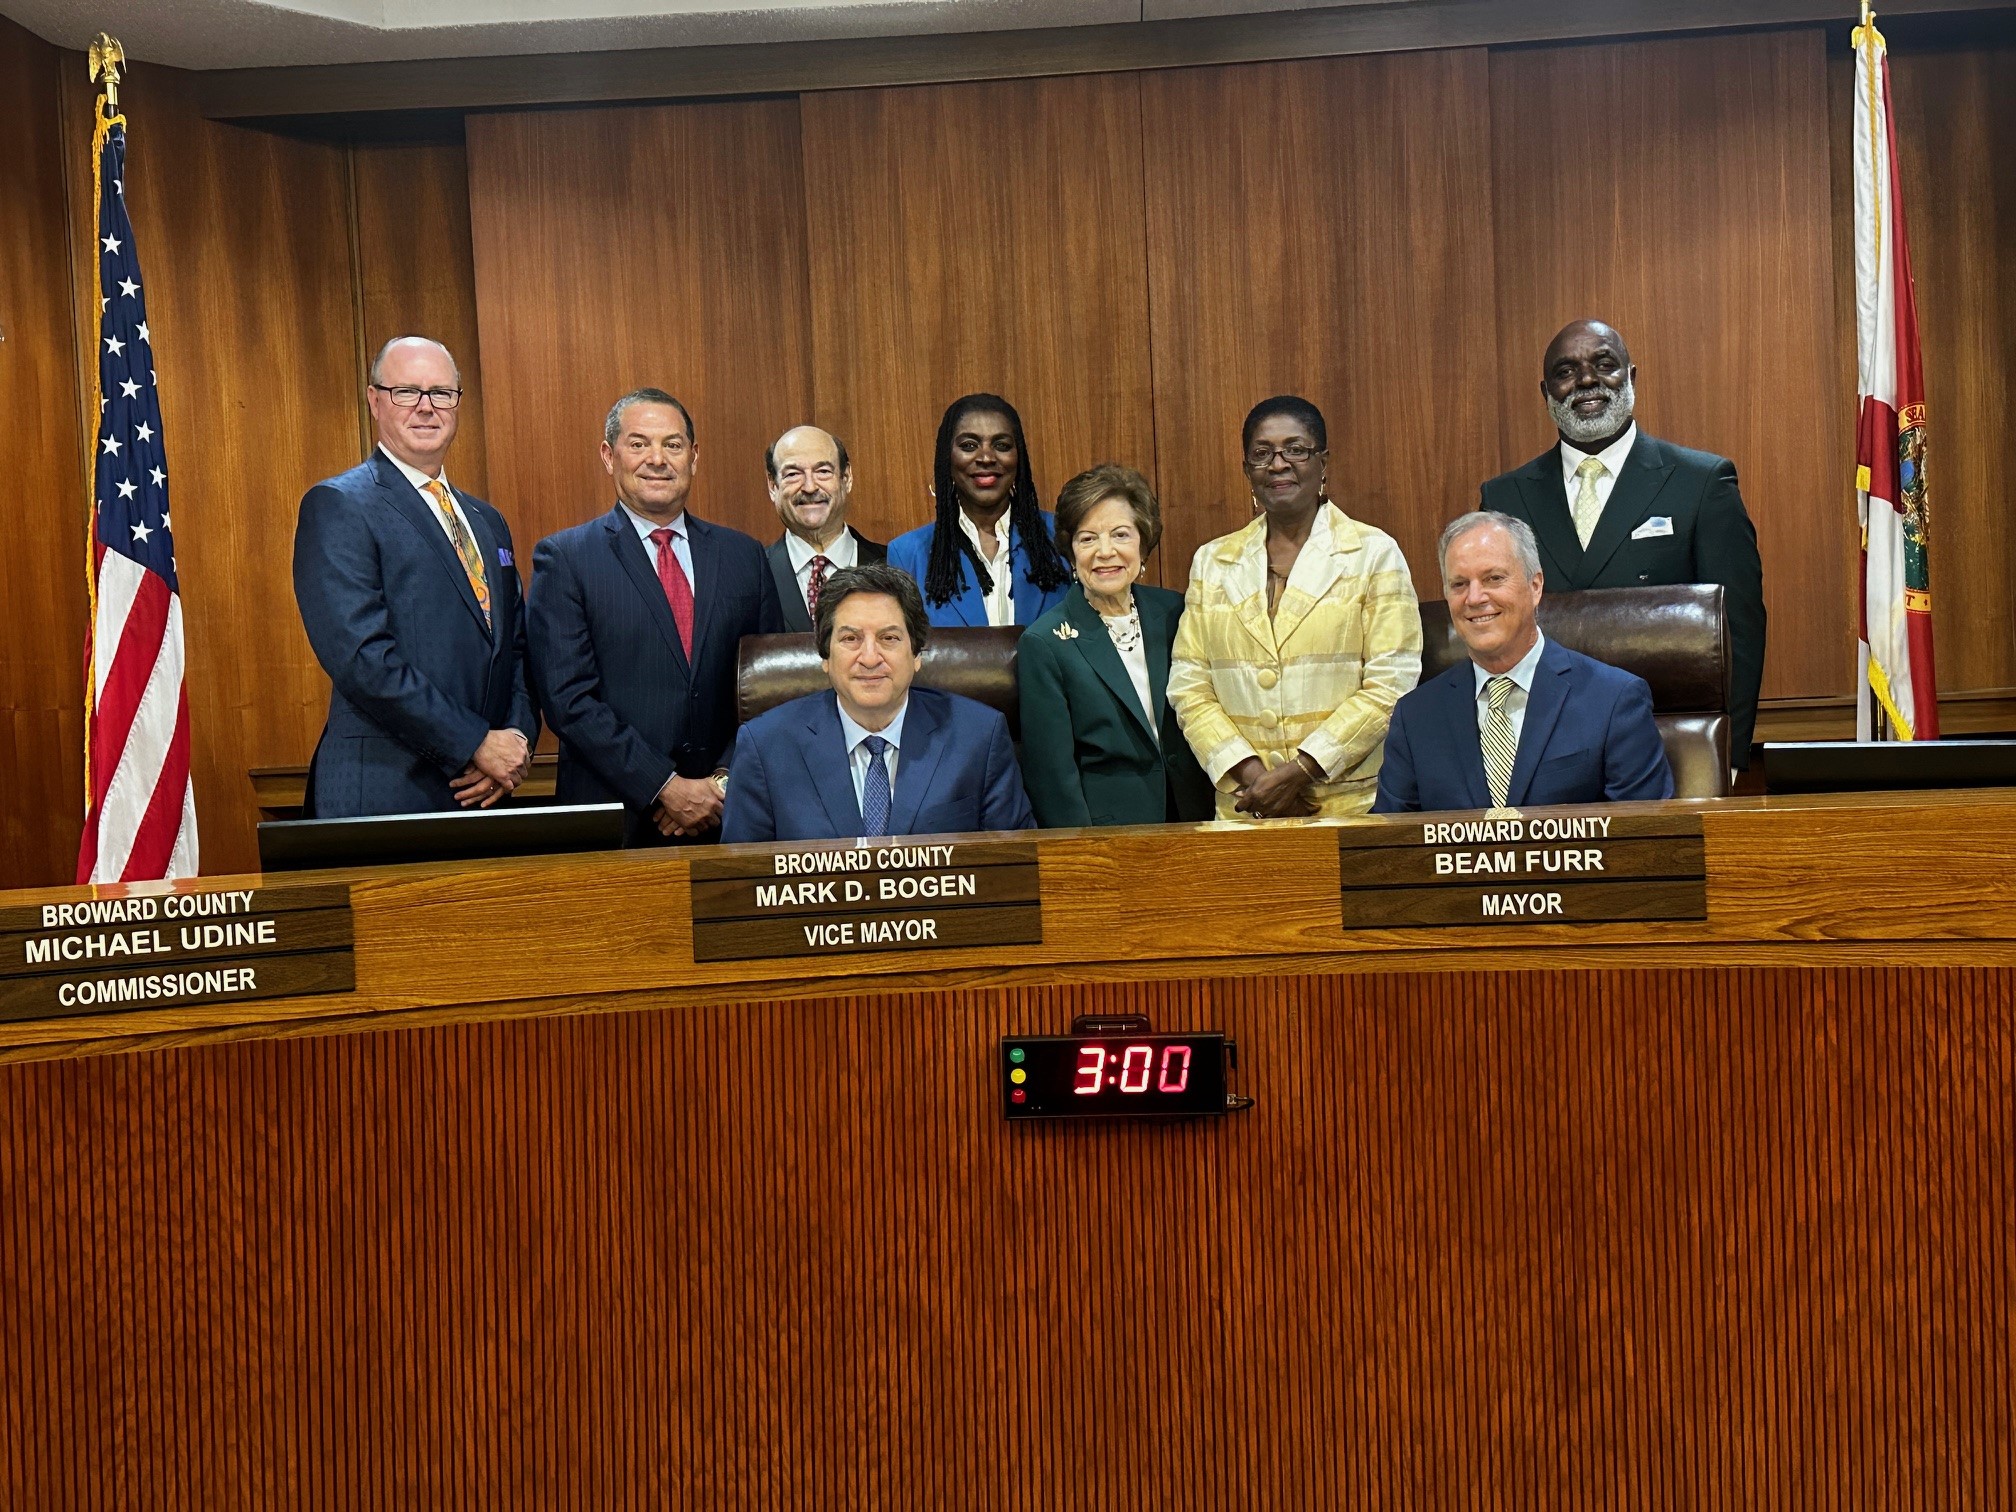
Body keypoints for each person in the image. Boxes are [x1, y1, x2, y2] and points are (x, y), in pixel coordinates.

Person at [1479, 318, 1766, 767]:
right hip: (1542, 750)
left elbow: (1739, 632)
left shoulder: (1701, 482)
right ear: (1546, 393)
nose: (1587, 380)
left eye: (1604, 364)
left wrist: (1728, 755)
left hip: (1671, 749)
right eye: (1566, 371)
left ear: (1631, 376)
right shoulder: (1503, 498)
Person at [293, 335, 537, 818]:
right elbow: (363, 659)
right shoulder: (340, 504)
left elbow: (517, 650)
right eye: (407, 392)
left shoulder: (487, 520)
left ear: (458, 403)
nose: (426, 407)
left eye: (441, 393)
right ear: (374, 400)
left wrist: (516, 738)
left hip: (484, 793)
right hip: (387, 792)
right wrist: (473, 743)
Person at [526, 387, 783, 846]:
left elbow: (769, 688)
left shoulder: (743, 556)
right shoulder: (565, 558)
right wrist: (664, 786)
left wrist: (721, 783)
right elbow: (568, 701)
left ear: (694, 456)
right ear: (609, 456)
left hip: (729, 818)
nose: (657, 459)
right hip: (614, 823)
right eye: (639, 443)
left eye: (673, 444)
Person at [1167, 396, 1422, 820]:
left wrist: (1303, 770)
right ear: (1247, 470)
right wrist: (1253, 777)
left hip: (1345, 807)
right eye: (1261, 454)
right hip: (1243, 810)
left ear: (1324, 462)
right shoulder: (1212, 562)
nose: (1278, 464)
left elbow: (1392, 684)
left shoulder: (1374, 553)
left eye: (1296, 449)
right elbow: (1190, 685)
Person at [1374, 512, 1673, 813]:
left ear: (1535, 586)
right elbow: (1389, 847)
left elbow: (1646, 838)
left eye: (1494, 578)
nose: (1475, 598)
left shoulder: (1614, 700)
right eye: (1459, 584)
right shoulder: (1415, 716)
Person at [720, 563, 1034, 842]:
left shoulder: (979, 736)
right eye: (850, 639)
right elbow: (739, 887)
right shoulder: (765, 747)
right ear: (825, 657)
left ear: (916, 655)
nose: (870, 658)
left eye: (889, 638)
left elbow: (1017, 870)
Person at [1016, 464, 1215, 827]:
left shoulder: (1177, 612)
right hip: (1111, 836)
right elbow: (1053, 779)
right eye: (1088, 538)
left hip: (1196, 819)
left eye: (1121, 535)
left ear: (1143, 543)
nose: (1105, 551)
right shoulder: (1044, 643)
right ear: (1071, 551)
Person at [886, 394, 1072, 628]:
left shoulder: (1062, 538)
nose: (986, 457)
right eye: (969, 446)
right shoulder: (908, 554)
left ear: (1019, 458)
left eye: (1001, 445)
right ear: (948, 459)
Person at [763, 424, 887, 632]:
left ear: (846, 478)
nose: (810, 487)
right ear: (773, 486)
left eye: (823, 471)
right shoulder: (754, 575)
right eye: (793, 474)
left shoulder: (893, 565)